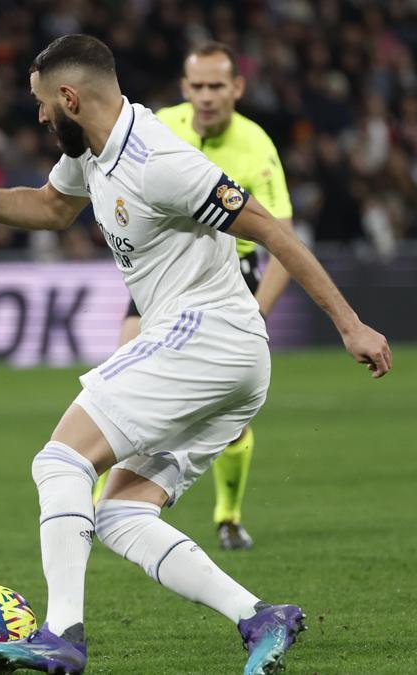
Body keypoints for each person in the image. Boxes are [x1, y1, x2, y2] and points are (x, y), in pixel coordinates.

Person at [0, 34, 389, 674]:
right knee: (119, 514)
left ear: (68, 97)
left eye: (39, 104)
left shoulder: (159, 161)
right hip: (222, 360)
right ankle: (260, 616)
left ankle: (61, 635)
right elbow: (53, 208)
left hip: (209, 336)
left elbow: (275, 230)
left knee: (60, 460)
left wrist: (350, 324)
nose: (37, 118)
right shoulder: (92, 150)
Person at [92, 42, 296, 550]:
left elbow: (284, 238)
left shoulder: (256, 147)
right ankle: (98, 503)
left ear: (236, 89)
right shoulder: (158, 125)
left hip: (231, 272)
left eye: (216, 87)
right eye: (198, 87)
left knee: (227, 413)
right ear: (185, 88)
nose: (206, 97)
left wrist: (257, 314)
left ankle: (227, 516)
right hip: (164, 270)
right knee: (125, 378)